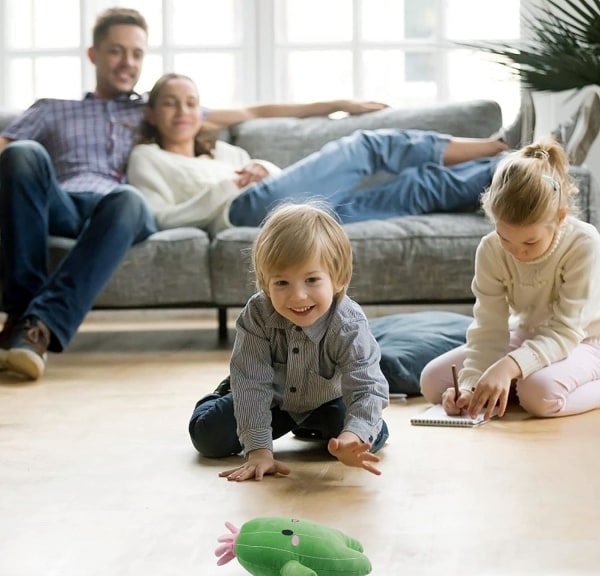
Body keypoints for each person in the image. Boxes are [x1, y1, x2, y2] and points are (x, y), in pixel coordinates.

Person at [0, 10, 387, 381]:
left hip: (120, 212)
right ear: (93, 55)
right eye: (116, 50)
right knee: (21, 153)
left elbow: (253, 112)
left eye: (136, 53)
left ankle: (37, 326)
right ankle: (22, 317)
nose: (127, 62)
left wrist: (339, 104)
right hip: (63, 204)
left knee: (129, 198)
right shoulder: (51, 110)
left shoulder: (154, 108)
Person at [127, 74, 600, 237]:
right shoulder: (148, 159)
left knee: (417, 189)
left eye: (191, 102)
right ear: (152, 112)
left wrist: (260, 168)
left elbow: (274, 177)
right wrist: (229, 185)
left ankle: (537, 165)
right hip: (242, 213)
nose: (182, 111)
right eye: (169, 102)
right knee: (365, 147)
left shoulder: (224, 148)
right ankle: (504, 144)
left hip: (289, 214)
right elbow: (159, 219)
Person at [188, 202, 390, 480]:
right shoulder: (258, 314)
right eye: (282, 283)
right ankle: (225, 391)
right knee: (207, 437)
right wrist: (259, 451)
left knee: (370, 436)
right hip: (270, 398)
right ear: (265, 284)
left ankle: (314, 426)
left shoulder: (349, 322)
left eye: (311, 280)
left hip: (326, 400)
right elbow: (253, 384)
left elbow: (367, 386)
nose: (297, 296)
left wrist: (351, 436)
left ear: (339, 279)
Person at [419, 137, 600, 421]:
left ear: (560, 217)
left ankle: (523, 383)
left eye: (530, 242)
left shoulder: (583, 243)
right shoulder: (490, 249)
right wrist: (469, 385)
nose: (517, 253)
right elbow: (488, 328)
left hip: (585, 340)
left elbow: (566, 332)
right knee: (433, 382)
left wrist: (507, 368)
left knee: (538, 395)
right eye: (506, 239)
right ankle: (515, 382)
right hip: (529, 335)